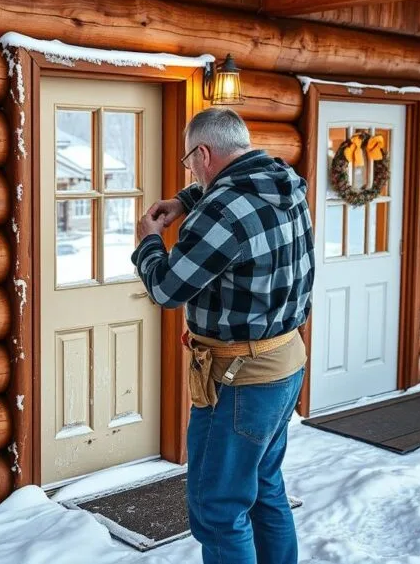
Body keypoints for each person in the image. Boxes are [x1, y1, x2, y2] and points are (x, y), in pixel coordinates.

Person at [131, 107, 314, 564]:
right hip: (285, 363)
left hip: (240, 380)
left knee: (217, 510)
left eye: (190, 160)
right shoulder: (284, 183)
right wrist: (186, 199)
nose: (189, 169)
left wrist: (149, 239)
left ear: (204, 152)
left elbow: (167, 289)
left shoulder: (221, 214)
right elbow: (235, 197)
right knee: (265, 488)